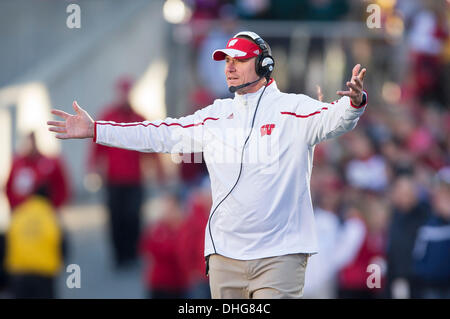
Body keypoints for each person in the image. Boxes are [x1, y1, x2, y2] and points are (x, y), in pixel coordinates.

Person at [47, 31, 368, 299]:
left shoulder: (292, 109)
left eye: (239, 60)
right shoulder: (215, 114)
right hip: (225, 255)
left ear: (264, 64)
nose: (229, 67)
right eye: (226, 61)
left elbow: (333, 119)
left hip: (280, 255)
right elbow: (160, 134)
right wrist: (96, 130)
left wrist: (352, 104)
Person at [87, 77, 164, 269]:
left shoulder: (139, 118)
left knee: (134, 217)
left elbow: (151, 147)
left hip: (135, 180)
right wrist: (93, 169)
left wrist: (160, 171)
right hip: (113, 180)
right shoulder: (107, 116)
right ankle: (119, 256)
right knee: (115, 218)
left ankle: (132, 254)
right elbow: (96, 146)